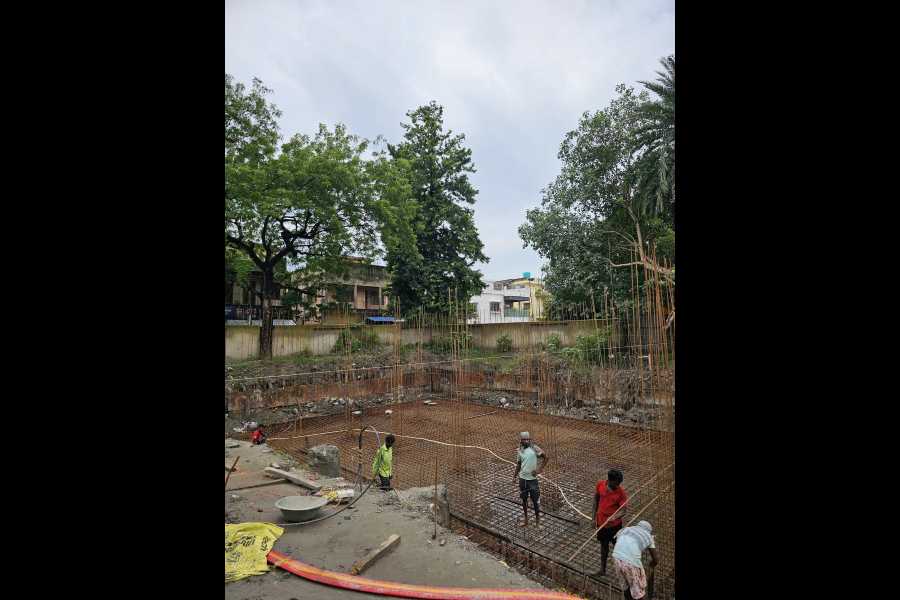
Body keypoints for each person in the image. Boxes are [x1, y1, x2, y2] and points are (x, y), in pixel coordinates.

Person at [593, 468, 628, 576]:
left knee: (618, 547)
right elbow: (596, 500)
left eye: (619, 483)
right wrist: (593, 518)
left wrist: (614, 517)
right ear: (610, 480)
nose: (618, 485)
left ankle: (623, 571)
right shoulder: (600, 485)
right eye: (617, 483)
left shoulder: (621, 493)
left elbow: (623, 510)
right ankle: (602, 570)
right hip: (602, 524)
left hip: (615, 526)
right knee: (604, 546)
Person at [611, 520, 658, 599]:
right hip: (630, 562)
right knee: (638, 589)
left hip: (616, 557)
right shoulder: (649, 537)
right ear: (649, 531)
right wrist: (652, 564)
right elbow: (656, 559)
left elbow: (616, 539)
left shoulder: (627, 529)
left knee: (625, 585)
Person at [513, 431, 548, 527]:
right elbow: (518, 464)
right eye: (524, 439)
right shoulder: (520, 451)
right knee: (524, 501)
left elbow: (546, 458)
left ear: (529, 439)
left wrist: (539, 470)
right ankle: (526, 520)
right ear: (521, 440)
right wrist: (514, 476)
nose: (526, 441)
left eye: (527, 439)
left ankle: (538, 522)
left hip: (532, 480)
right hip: (522, 480)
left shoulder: (534, 448)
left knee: (535, 501)